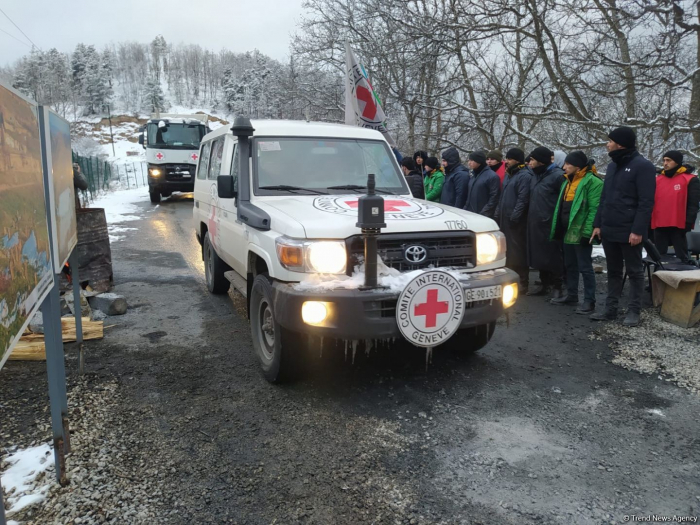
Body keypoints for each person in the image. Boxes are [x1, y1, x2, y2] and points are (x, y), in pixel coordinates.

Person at [590, 126, 656, 327]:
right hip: (609, 228)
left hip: (630, 231)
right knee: (613, 270)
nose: (607, 144)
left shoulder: (643, 166)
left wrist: (637, 230)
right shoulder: (612, 166)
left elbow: (646, 202)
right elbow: (604, 198)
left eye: (609, 141)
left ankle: (634, 311)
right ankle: (610, 309)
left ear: (620, 143)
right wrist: (598, 224)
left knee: (635, 272)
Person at [549, 151, 603, 314]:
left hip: (580, 231)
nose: (564, 167)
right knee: (570, 264)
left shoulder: (593, 182)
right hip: (567, 230)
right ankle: (572, 295)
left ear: (577, 166)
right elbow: (561, 207)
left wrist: (587, 232)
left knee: (585, 267)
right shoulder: (567, 181)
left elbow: (595, 208)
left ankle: (589, 301)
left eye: (567, 164)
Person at [526, 146, 566, 297]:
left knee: (554, 255)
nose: (530, 162)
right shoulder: (536, 175)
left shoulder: (558, 176)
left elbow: (563, 201)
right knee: (539, 254)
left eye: (533, 159)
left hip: (551, 223)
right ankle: (544, 284)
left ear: (541, 161)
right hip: (535, 221)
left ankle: (558, 286)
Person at [651, 150, 700, 264]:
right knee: (659, 259)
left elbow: (693, 204)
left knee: (682, 258)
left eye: (669, 160)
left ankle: (684, 279)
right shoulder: (657, 180)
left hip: (679, 224)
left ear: (677, 162)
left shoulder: (690, 179)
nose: (665, 163)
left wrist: (689, 222)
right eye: (664, 160)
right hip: (659, 223)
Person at [495, 148, 532, 289]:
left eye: (509, 159)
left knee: (518, 251)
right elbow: (503, 197)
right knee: (508, 251)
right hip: (505, 218)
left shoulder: (524, 176)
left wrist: (514, 217)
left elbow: (523, 199)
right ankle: (510, 279)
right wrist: (498, 213)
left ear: (517, 160)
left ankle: (522, 281)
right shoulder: (510, 175)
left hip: (516, 221)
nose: (507, 161)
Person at [465, 150, 501, 219]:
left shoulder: (492, 176)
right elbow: (469, 198)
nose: (469, 163)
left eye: (472, 160)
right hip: (470, 214)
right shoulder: (473, 176)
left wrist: (483, 214)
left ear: (479, 161)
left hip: (483, 216)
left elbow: (494, 198)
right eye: (469, 160)